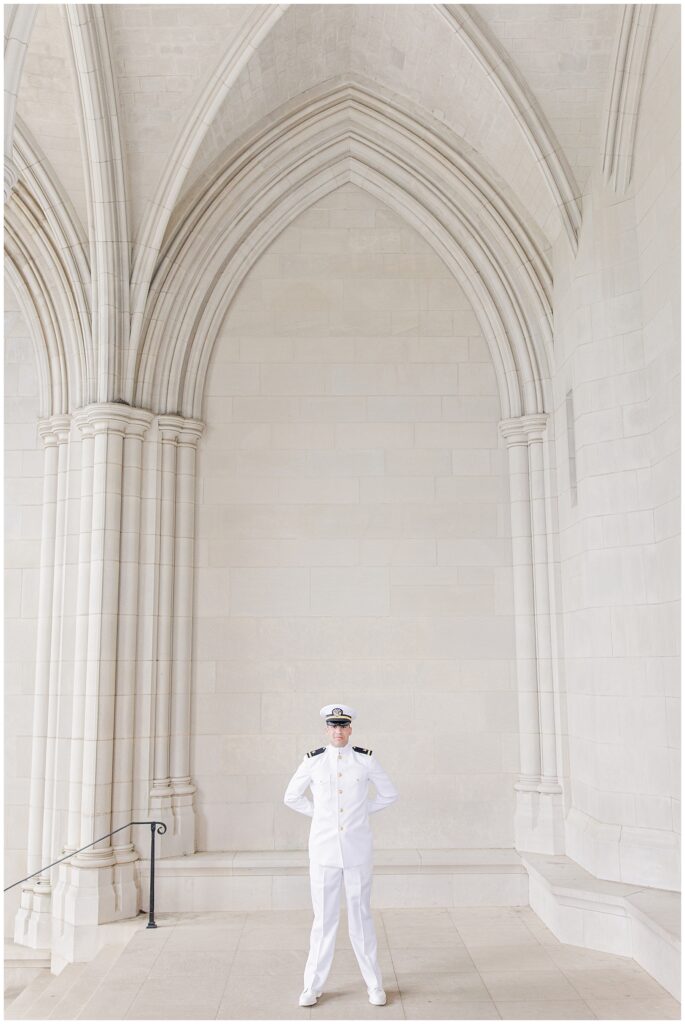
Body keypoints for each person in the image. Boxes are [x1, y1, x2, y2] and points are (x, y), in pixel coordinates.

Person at [284, 703, 398, 1008]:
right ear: (326, 729)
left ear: (350, 729)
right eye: (333, 727)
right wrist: (320, 815)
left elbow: (389, 794)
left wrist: (361, 812)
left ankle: (374, 985)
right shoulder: (313, 762)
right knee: (324, 921)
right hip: (323, 851)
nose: (338, 732)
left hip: (357, 850)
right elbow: (291, 796)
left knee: (361, 918)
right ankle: (312, 985)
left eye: (343, 726)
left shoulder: (365, 761)